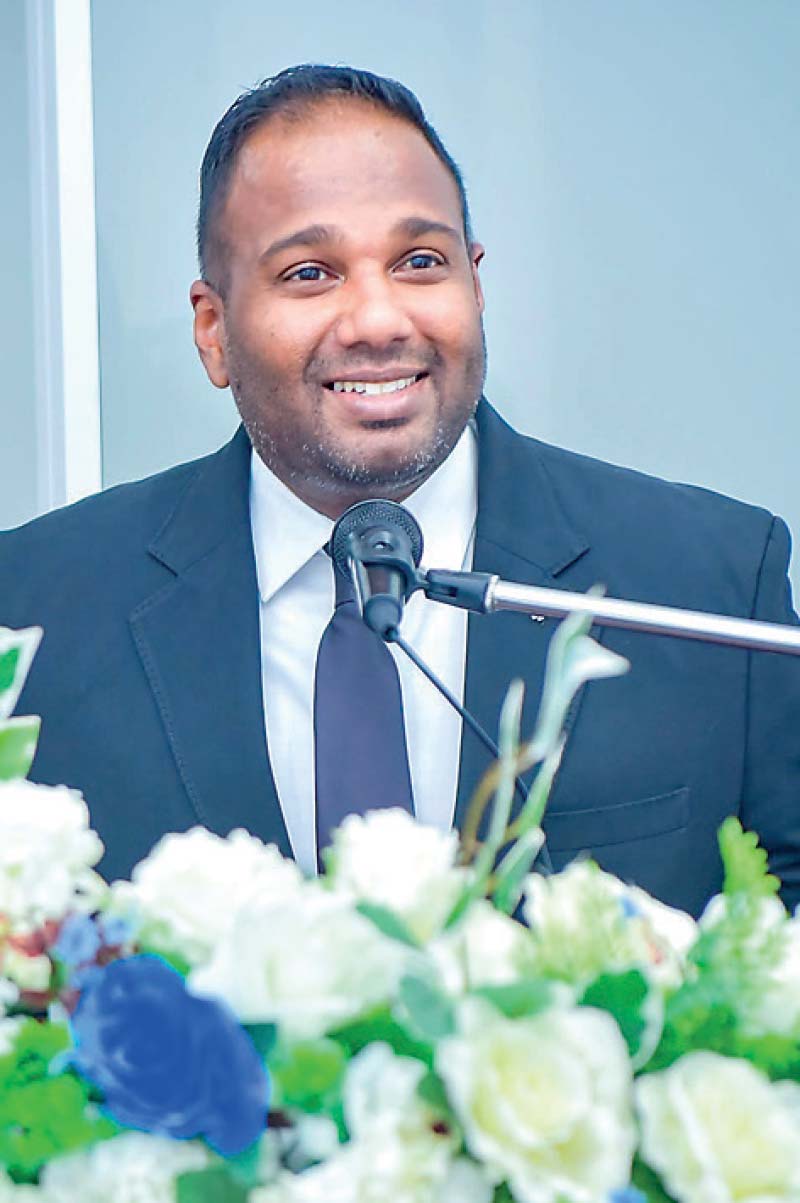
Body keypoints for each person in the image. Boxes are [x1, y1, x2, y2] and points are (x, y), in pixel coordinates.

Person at [1, 65, 798, 917]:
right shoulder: (36, 607)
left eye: (420, 261)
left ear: (476, 285)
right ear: (213, 329)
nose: (379, 319)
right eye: (310, 273)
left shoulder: (707, 584)